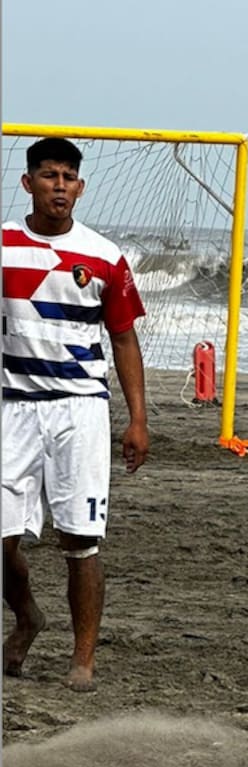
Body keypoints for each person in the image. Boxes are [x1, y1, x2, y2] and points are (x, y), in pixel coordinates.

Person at [2, 137, 150, 692]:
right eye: (48, 175)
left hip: (79, 412)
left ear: (80, 188)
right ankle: (27, 618)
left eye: (68, 176)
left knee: (80, 540)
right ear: (27, 183)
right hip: (11, 408)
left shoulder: (105, 257)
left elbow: (124, 338)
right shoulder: (3, 246)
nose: (58, 185)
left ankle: (82, 660)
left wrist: (137, 419)